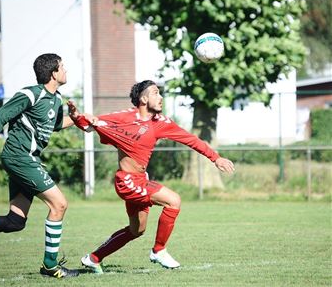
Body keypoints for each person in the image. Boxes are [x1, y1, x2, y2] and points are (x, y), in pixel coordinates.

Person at [67, 80, 234, 273]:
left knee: (136, 230)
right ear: (143, 98)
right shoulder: (124, 116)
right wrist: (77, 117)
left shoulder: (160, 122)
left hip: (141, 180)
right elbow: (91, 124)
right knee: (173, 200)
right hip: (127, 181)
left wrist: (216, 158)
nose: (161, 97)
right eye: (156, 93)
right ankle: (159, 250)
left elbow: (191, 140)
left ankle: (93, 258)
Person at [0, 53, 79, 278]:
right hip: (19, 157)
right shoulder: (31, 94)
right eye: (63, 66)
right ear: (53, 73)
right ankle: (50, 266)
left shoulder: (55, 99)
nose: (66, 70)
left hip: (27, 159)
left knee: (15, 221)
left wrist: (80, 119)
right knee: (59, 204)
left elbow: (56, 124)